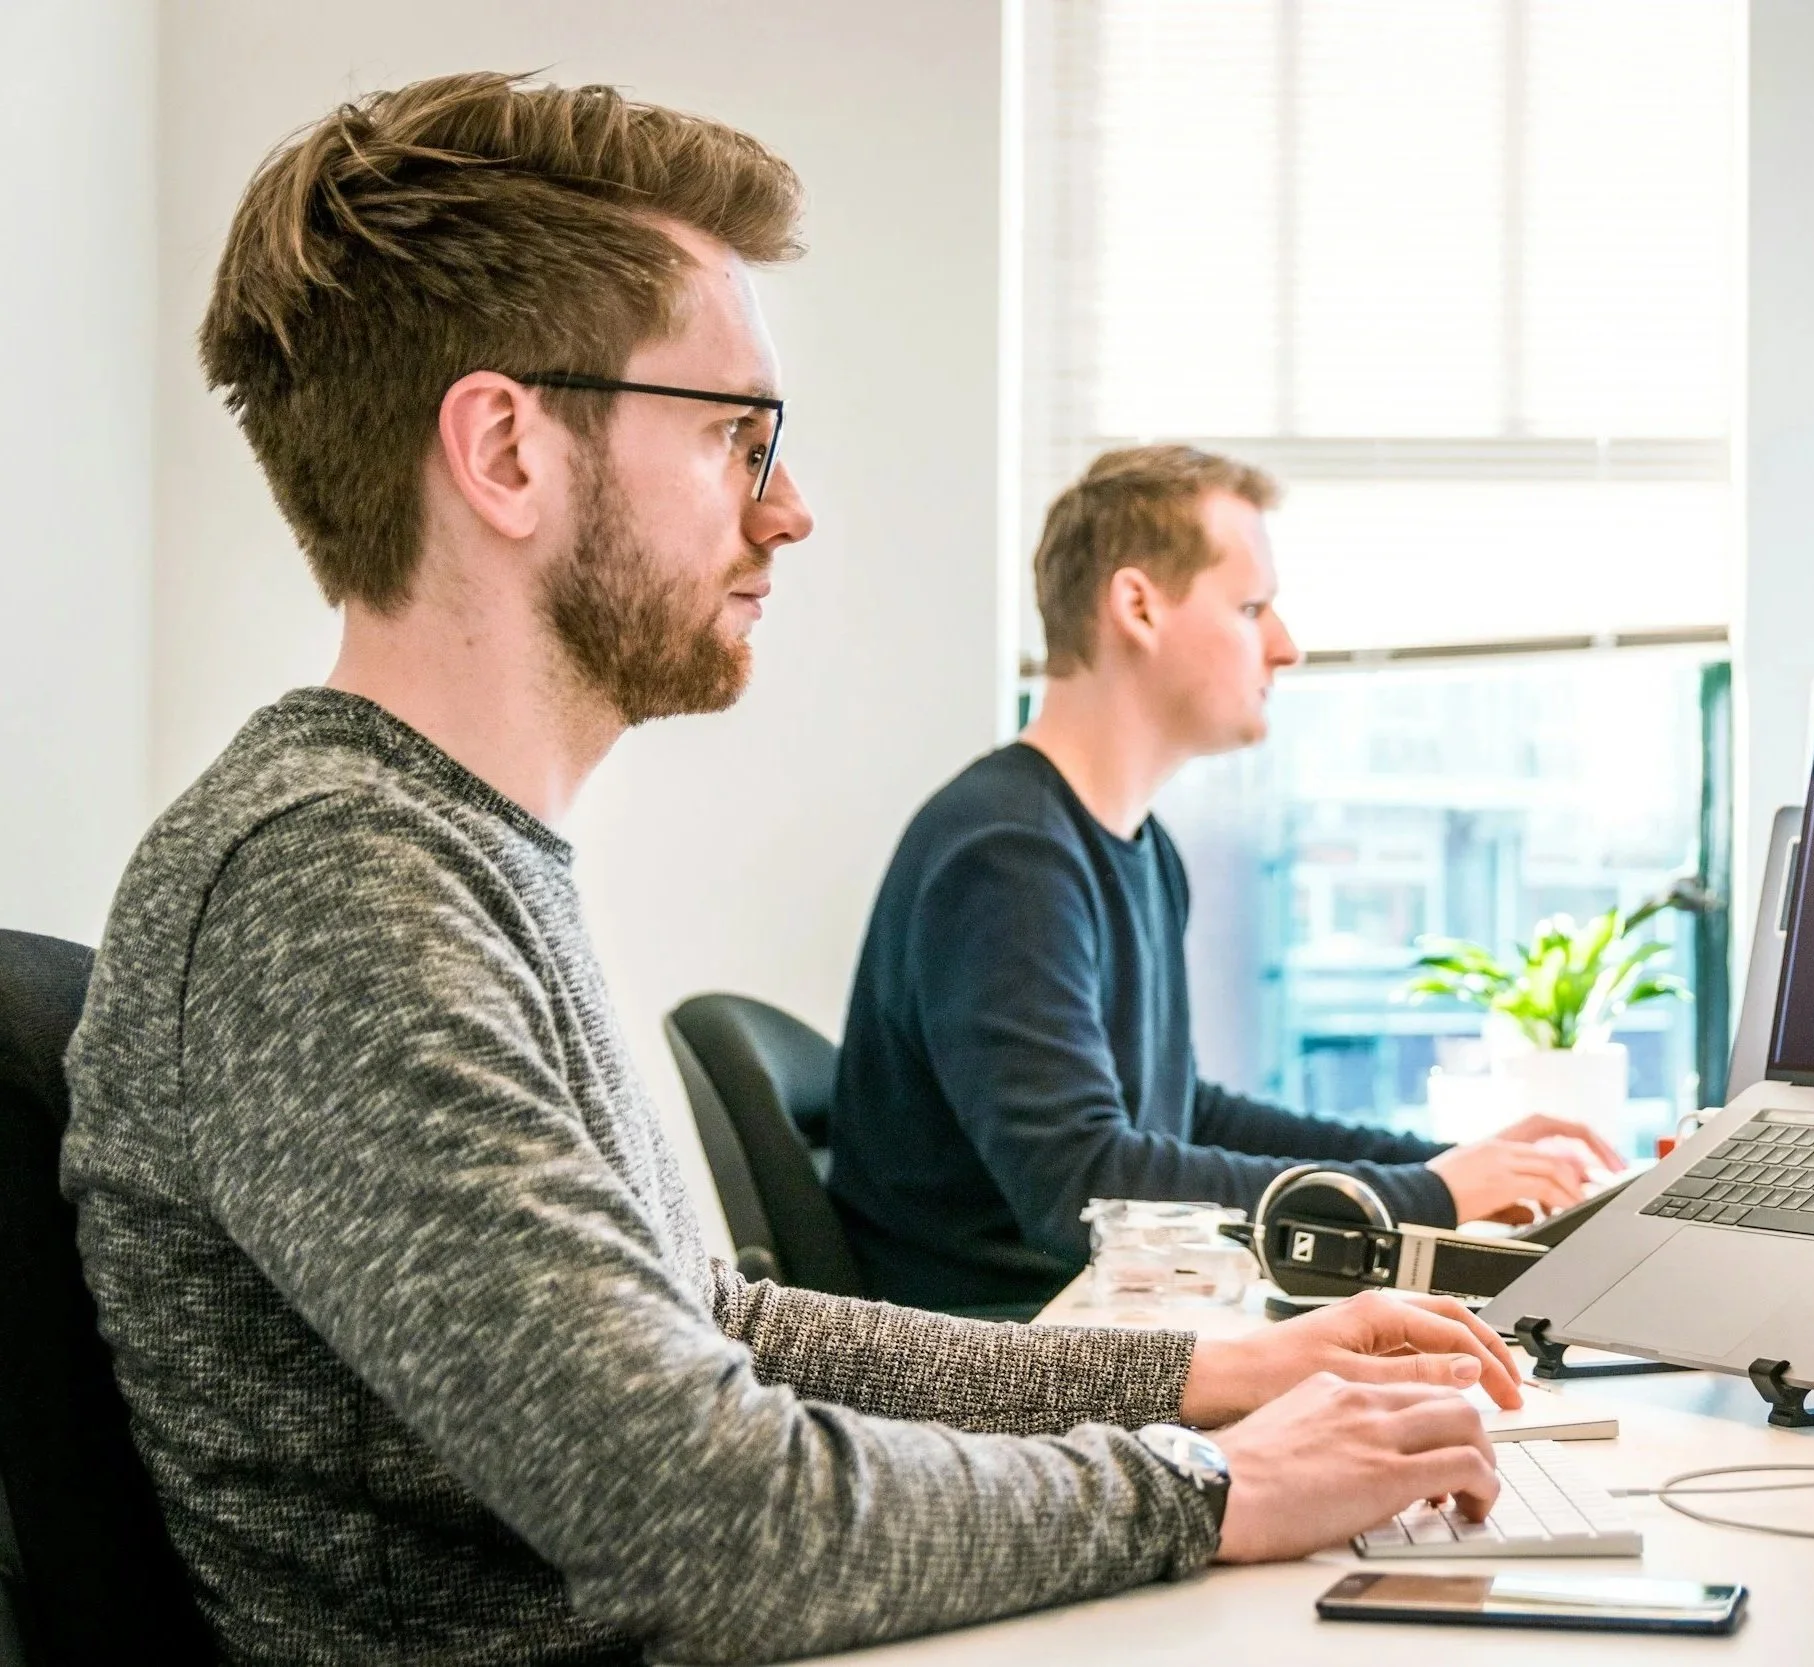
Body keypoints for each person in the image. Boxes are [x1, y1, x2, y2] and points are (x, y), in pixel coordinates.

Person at [60, 74, 1527, 1666]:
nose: (792, 507)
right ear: (505, 447)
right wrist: (1212, 1480)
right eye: (739, 437)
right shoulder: (331, 887)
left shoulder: (450, 852)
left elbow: (719, 1330)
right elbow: (716, 1517)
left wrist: (1198, 1375)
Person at [825, 446, 1625, 1315]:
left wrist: (1441, 1166)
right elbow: (1085, 1189)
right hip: (1005, 1355)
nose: (1286, 646)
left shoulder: (1135, 848)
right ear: (1138, 606)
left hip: (1096, 1320)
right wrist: (1428, 1197)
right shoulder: (1006, 855)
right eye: (1251, 607)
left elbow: (1182, 1116)